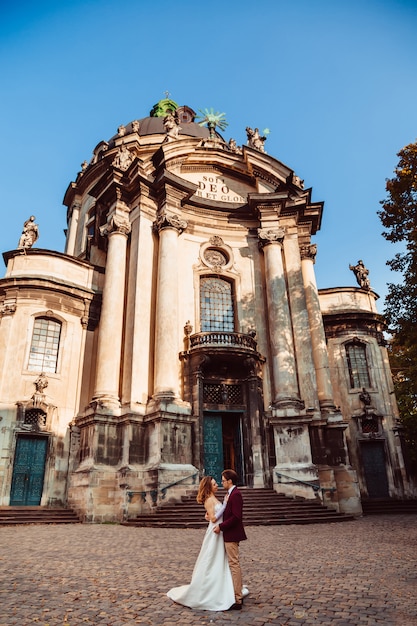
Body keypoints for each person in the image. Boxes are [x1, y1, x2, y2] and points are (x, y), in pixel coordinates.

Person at [167, 476, 235, 611]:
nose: (217, 486)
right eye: (215, 484)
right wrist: (226, 505)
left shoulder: (213, 498)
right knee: (211, 558)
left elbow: (212, 516)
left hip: (219, 531)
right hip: (215, 532)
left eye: (217, 483)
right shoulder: (209, 500)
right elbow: (214, 518)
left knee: (220, 559)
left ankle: (221, 585)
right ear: (209, 487)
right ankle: (208, 588)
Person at [213, 469, 247, 610]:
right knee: (232, 564)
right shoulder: (230, 494)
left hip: (232, 534)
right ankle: (233, 593)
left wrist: (221, 526)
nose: (222, 483)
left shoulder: (236, 495)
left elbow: (236, 517)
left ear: (230, 481)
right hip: (229, 534)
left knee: (234, 564)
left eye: (223, 480)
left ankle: (237, 598)